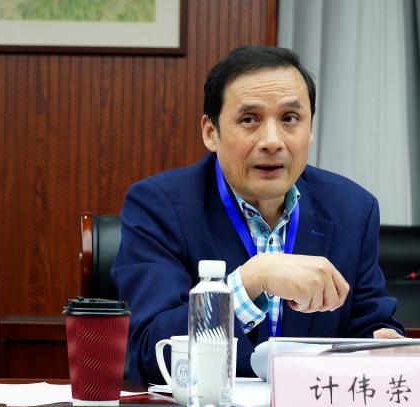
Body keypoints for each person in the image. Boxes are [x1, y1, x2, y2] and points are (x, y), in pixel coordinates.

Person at [111, 45, 404, 385]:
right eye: (249, 119)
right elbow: (152, 352)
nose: (272, 141)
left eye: (290, 119)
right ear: (211, 132)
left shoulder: (352, 209)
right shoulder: (158, 206)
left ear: (310, 129)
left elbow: (372, 325)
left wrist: (387, 345)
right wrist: (252, 279)